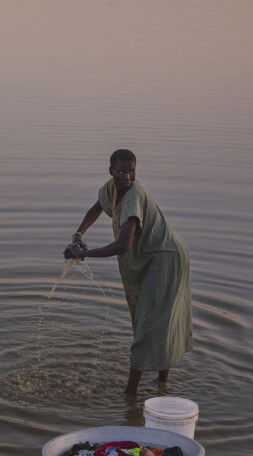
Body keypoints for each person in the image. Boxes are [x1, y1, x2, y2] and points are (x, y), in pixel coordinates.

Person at [65, 149, 193, 395]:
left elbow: (123, 246)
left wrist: (84, 254)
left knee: (150, 324)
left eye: (131, 171)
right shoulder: (110, 190)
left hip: (166, 258)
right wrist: (78, 235)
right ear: (111, 171)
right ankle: (161, 388)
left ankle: (130, 395)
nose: (126, 177)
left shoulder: (134, 196)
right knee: (154, 321)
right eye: (121, 172)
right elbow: (96, 209)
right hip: (152, 257)